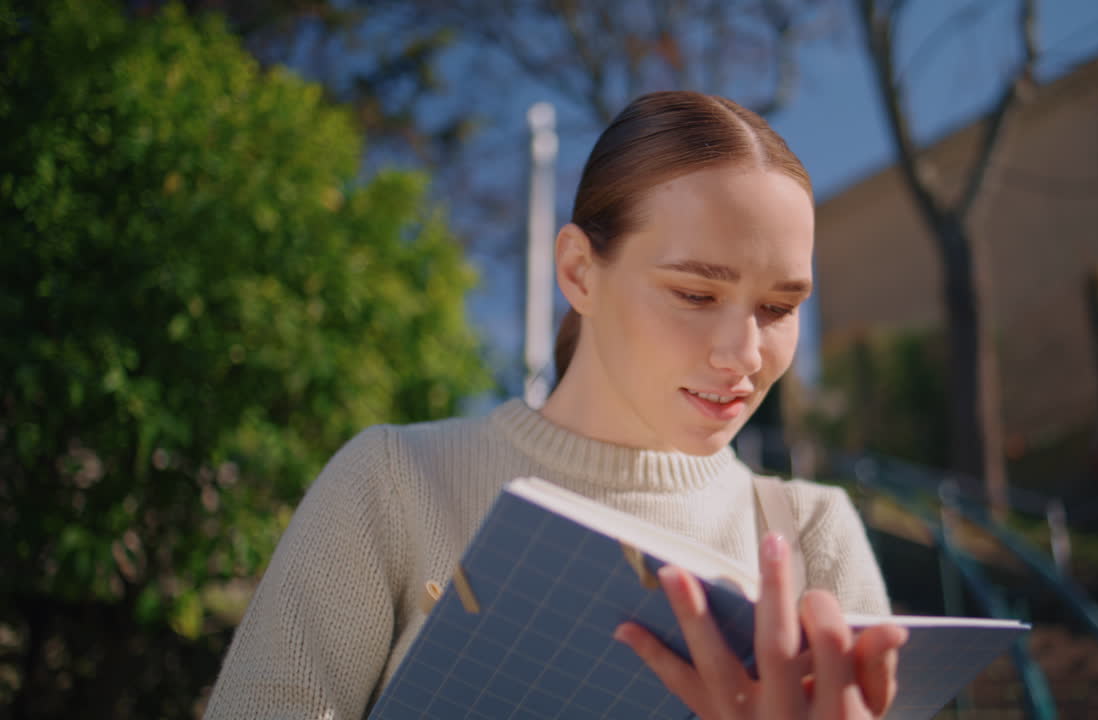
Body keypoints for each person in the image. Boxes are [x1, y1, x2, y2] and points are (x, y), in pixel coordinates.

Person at [204, 90, 906, 719]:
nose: (746, 354)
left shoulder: (815, 537)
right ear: (578, 272)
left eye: (780, 307)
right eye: (696, 294)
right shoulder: (396, 483)